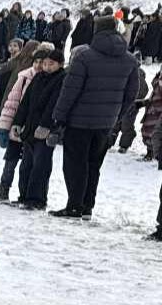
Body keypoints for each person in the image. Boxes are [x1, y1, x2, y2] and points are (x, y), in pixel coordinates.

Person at [51, 14, 141, 218]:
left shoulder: (84, 56)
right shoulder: (129, 60)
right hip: (106, 123)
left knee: (75, 164)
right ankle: (87, 206)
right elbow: (131, 94)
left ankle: (74, 205)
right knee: (94, 165)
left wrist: (59, 116)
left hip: (79, 121)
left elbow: (70, 90)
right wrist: (116, 114)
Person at [11, 48, 66, 210]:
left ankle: (37, 199)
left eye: (51, 64)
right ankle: (24, 195)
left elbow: (54, 105)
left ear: (60, 64)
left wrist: (46, 125)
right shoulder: (38, 77)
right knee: (26, 165)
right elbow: (25, 102)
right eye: (45, 63)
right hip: (29, 128)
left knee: (40, 166)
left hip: (45, 130)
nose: (47, 67)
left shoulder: (61, 79)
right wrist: (18, 122)